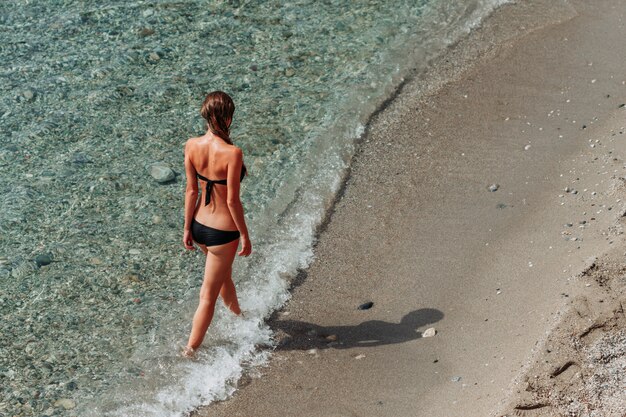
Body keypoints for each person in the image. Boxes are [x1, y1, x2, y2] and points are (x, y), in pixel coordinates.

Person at [181, 91, 252, 357]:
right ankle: (190, 349)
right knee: (207, 297)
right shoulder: (233, 153)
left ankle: (238, 315)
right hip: (223, 232)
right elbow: (233, 201)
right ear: (229, 117)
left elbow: (191, 192)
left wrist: (187, 229)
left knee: (222, 277)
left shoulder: (191, 145)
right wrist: (245, 235)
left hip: (199, 226)